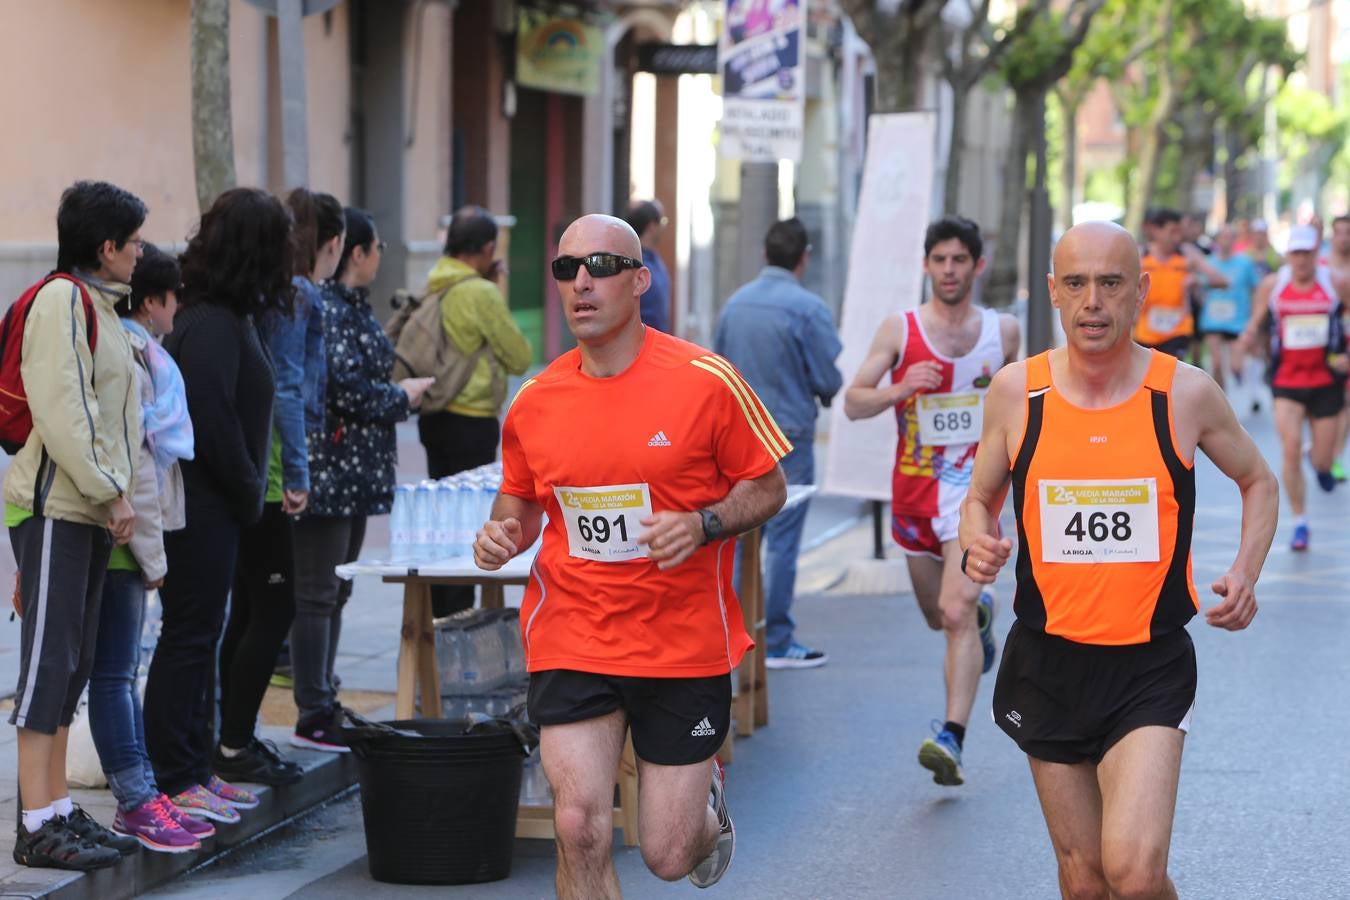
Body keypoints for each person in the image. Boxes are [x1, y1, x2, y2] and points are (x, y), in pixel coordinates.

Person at [960, 220, 1277, 899]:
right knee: (1084, 879)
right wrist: (974, 537)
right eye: (1076, 283)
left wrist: (1246, 571)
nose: (1093, 302)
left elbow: (1259, 480)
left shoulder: (1183, 393)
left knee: (1133, 872)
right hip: (1047, 663)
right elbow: (979, 497)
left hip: (1148, 665)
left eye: (1110, 283)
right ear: (1053, 292)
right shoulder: (1019, 392)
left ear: (1141, 291)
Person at [474, 214, 789, 895]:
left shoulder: (706, 380)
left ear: (640, 280)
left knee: (669, 854)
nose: (582, 283)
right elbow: (521, 504)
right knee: (579, 824)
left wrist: (704, 523)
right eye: (567, 270)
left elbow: (768, 486)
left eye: (602, 268)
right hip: (573, 632)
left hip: (681, 643)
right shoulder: (536, 399)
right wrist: (501, 533)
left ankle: (705, 807)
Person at [842, 216, 1019, 787]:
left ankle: (952, 736)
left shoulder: (1004, 333)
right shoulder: (902, 329)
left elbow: (1029, 403)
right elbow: (853, 403)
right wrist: (899, 388)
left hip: (975, 492)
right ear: (926, 265)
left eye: (959, 260)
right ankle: (979, 619)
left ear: (976, 266)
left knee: (954, 611)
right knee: (935, 614)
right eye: (939, 260)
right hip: (915, 493)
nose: (948, 270)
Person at [144, 188, 294, 826]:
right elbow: (214, 425)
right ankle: (176, 777)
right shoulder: (208, 323)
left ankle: (195, 767)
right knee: (188, 637)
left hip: (219, 509)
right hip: (201, 510)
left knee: (198, 637)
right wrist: (249, 491)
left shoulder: (227, 315)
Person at [7, 181, 145, 869]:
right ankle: (34, 824)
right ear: (106, 246)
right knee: (46, 666)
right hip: (58, 506)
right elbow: (66, 411)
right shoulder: (63, 300)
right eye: (135, 241)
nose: (141, 253)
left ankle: (59, 809)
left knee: (72, 665)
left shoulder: (102, 307)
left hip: (84, 508)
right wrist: (110, 492)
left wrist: (110, 496)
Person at [290, 208, 433, 752]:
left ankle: (324, 696)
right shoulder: (324, 306)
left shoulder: (349, 305)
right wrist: (402, 397)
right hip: (328, 471)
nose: (378, 260)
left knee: (339, 589)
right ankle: (312, 709)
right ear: (355, 252)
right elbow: (341, 387)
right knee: (318, 594)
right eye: (375, 250)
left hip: (353, 473)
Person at [213, 188, 343, 780]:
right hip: (264, 475)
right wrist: (298, 471)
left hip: (248, 469)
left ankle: (229, 736)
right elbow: (290, 384)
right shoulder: (292, 296)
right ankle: (235, 741)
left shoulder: (245, 297)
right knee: (274, 605)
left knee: (249, 607)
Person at [88, 243, 208, 853]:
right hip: (123, 536)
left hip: (122, 533)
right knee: (113, 674)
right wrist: (156, 559)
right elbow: (139, 467)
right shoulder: (139, 357)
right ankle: (135, 801)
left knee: (116, 671)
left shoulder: (136, 350)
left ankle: (142, 794)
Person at [714, 217, 842, 667]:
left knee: (738, 535)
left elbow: (717, 371)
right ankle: (779, 639)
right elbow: (828, 378)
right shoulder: (809, 308)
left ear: (765, 254)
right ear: (803, 258)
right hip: (789, 435)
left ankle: (726, 633)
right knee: (784, 541)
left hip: (736, 436)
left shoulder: (735, 305)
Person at [418, 206, 532, 618]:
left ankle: (435, 611)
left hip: (434, 418)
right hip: (471, 421)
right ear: (487, 249)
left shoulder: (433, 283)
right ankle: (459, 616)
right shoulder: (481, 293)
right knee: (469, 523)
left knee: (436, 524)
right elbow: (519, 356)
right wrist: (495, 288)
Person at [1239, 224, 1347, 551]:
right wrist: (1246, 343)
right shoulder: (1274, 285)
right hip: (1286, 380)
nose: (1301, 260)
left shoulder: (1336, 283)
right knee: (1289, 450)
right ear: (1288, 255)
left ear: (1317, 253)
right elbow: (1256, 320)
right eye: (1295, 253)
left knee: (1325, 461)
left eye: (1307, 253)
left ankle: (1321, 462)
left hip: (1325, 379)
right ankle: (1300, 522)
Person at [1135, 208, 1229, 361]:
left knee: (1171, 375)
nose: (1177, 237)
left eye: (1179, 232)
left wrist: (1198, 281)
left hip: (1178, 329)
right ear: (1156, 230)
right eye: (1172, 232)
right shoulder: (1141, 255)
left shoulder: (1188, 254)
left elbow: (1223, 281)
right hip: (1146, 330)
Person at [1197, 223, 1261, 397]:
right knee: (1216, 364)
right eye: (1222, 237)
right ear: (1217, 240)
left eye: (1229, 237)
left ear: (1234, 239)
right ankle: (1222, 402)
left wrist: (1253, 316)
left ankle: (1238, 374)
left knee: (1235, 365)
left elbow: (1256, 290)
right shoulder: (1208, 263)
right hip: (1212, 319)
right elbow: (1198, 289)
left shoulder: (1245, 263)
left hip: (1237, 319)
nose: (1226, 241)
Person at [1323, 215, 1350, 482]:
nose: (1344, 238)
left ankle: (1336, 457)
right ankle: (1321, 450)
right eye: (1339, 232)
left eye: (1348, 233)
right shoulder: (1322, 267)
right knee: (1331, 400)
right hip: (1326, 341)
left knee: (1346, 402)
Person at [625, 199, 671, 333]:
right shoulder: (632, 263)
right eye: (662, 222)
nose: (664, 227)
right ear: (652, 226)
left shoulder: (654, 259)